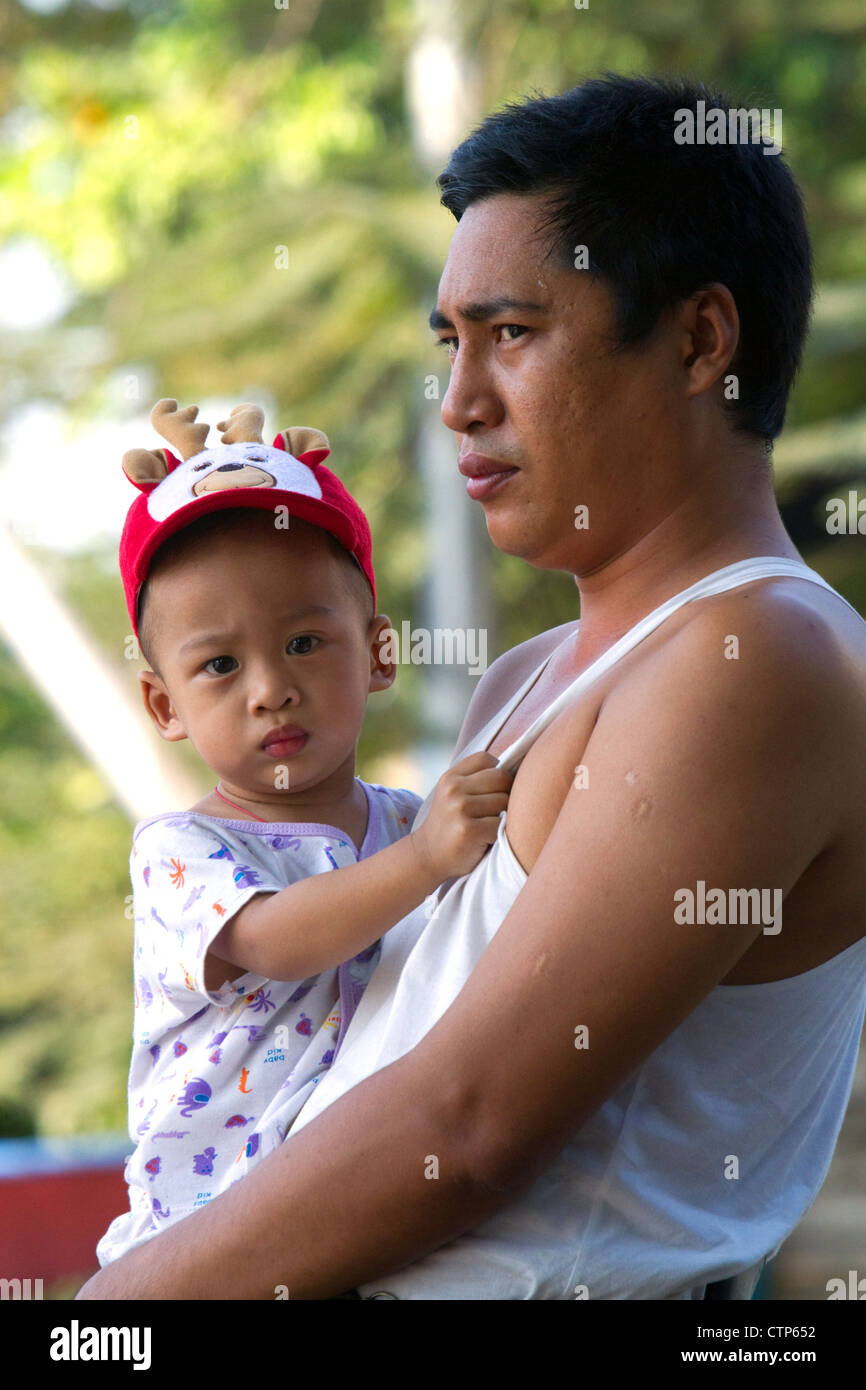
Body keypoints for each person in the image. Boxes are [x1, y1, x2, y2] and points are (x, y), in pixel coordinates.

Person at [78, 73, 866, 1301]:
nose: (458, 402)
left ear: (698, 339)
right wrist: (226, 538)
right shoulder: (532, 677)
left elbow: (469, 1119)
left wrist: (108, 1318)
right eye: (449, 343)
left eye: (511, 333)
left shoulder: (754, 656)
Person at [95, 397, 511, 1265]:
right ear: (165, 705)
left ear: (380, 654)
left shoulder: (405, 820)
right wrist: (429, 859)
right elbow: (278, 939)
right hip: (201, 1237)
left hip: (358, 1214)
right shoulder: (180, 852)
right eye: (219, 665)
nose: (269, 690)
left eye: (306, 643)